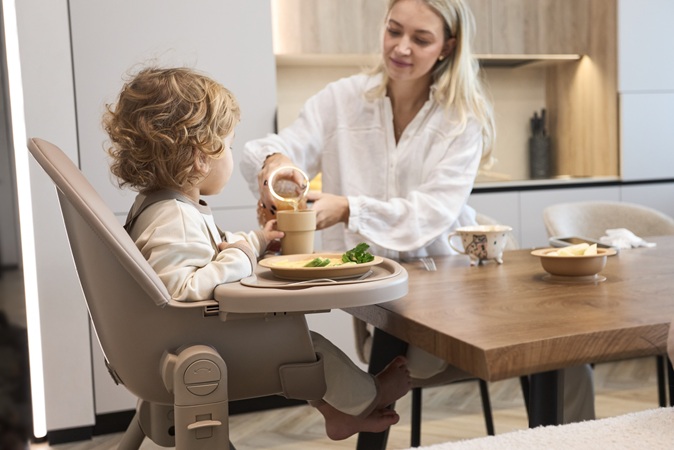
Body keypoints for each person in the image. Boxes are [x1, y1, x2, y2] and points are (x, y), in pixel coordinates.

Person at [241, 0, 594, 423]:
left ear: (448, 46)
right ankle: (354, 404)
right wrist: (276, 164)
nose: (401, 47)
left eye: (421, 39)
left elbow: (431, 211)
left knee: (568, 346)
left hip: (460, 289)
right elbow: (276, 149)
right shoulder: (341, 100)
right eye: (394, 30)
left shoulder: (461, 120)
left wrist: (350, 209)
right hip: (385, 299)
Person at [102, 66, 411, 440]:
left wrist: (258, 240)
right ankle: (368, 396)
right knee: (299, 344)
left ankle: (337, 413)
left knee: (291, 339)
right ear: (201, 158)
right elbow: (183, 290)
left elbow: (207, 254)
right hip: (189, 352)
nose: (231, 157)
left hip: (179, 343)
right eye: (229, 147)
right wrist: (242, 256)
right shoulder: (174, 218)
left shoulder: (165, 207)